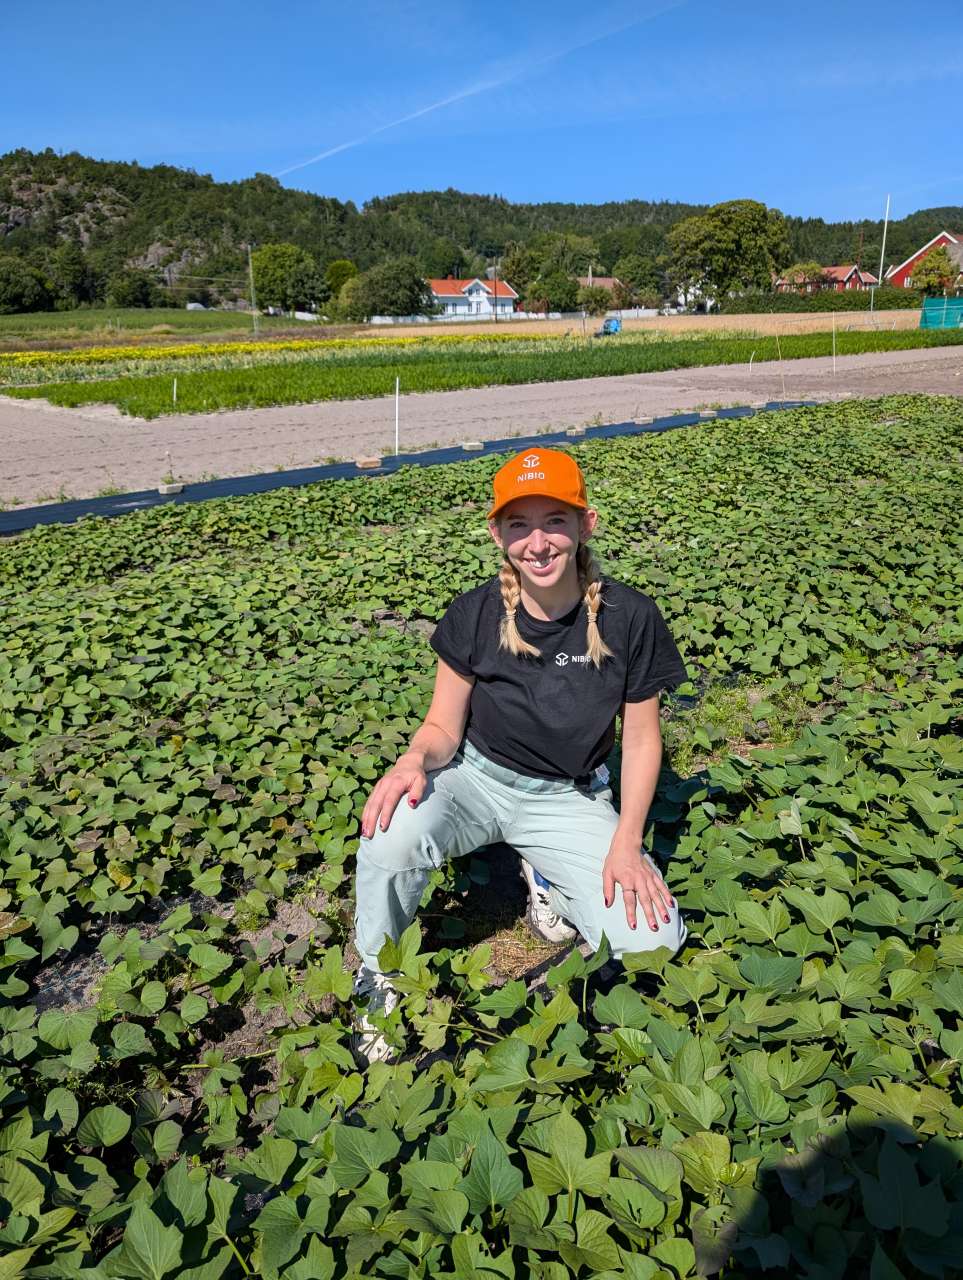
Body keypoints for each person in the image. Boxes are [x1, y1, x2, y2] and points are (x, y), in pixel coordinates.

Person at [352, 447, 688, 1061]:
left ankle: (546, 873)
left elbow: (641, 739)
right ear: (498, 533)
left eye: (554, 520)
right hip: (475, 778)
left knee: (653, 942)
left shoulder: (629, 617)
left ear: (585, 524)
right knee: (389, 829)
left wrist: (627, 844)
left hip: (567, 793)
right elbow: (441, 728)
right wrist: (412, 761)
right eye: (519, 525)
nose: (538, 542)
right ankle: (379, 976)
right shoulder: (477, 612)